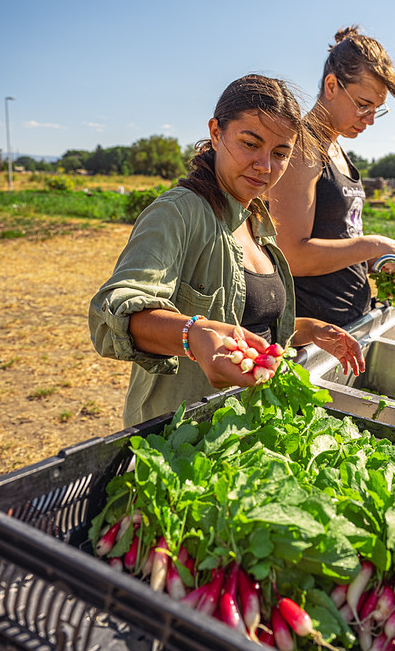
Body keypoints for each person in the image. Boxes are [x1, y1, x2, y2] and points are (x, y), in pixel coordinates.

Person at [89, 74, 365, 428]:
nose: (265, 166)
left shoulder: (257, 220)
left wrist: (309, 329)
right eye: (250, 144)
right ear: (216, 133)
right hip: (180, 437)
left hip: (242, 431)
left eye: (280, 153)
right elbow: (113, 314)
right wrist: (193, 336)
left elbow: (247, 329)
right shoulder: (179, 213)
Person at [268, 26, 395, 328]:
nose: (370, 119)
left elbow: (339, 237)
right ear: (331, 86)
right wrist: (373, 246)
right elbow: (292, 255)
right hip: (314, 329)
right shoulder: (303, 149)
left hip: (348, 321)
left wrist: (379, 261)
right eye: (363, 105)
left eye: (377, 109)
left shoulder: (336, 148)